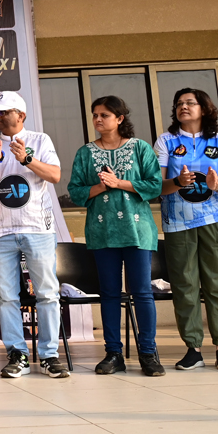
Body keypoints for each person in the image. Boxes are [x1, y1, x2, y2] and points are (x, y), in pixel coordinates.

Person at [0, 91, 68, 379]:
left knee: (47, 294)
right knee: (6, 297)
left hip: (37, 228)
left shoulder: (40, 140)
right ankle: (17, 354)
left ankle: (49, 355)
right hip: (0, 233)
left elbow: (54, 176)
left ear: (21, 115)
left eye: (4, 112)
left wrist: (26, 159)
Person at [68, 95, 165, 377]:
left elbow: (155, 185)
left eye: (104, 115)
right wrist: (101, 186)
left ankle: (148, 353)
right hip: (102, 231)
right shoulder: (85, 153)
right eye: (95, 115)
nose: (98, 120)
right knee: (109, 293)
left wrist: (119, 183)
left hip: (137, 230)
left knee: (142, 292)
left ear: (120, 118)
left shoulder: (140, 148)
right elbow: (75, 191)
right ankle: (113, 354)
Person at [156, 89, 218, 371]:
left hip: (216, 219)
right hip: (177, 221)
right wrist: (178, 182)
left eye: (190, 103)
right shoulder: (166, 141)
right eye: (179, 103)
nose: (183, 106)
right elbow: (157, 186)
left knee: (217, 285)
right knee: (184, 285)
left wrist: (217, 185)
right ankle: (193, 349)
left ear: (204, 109)